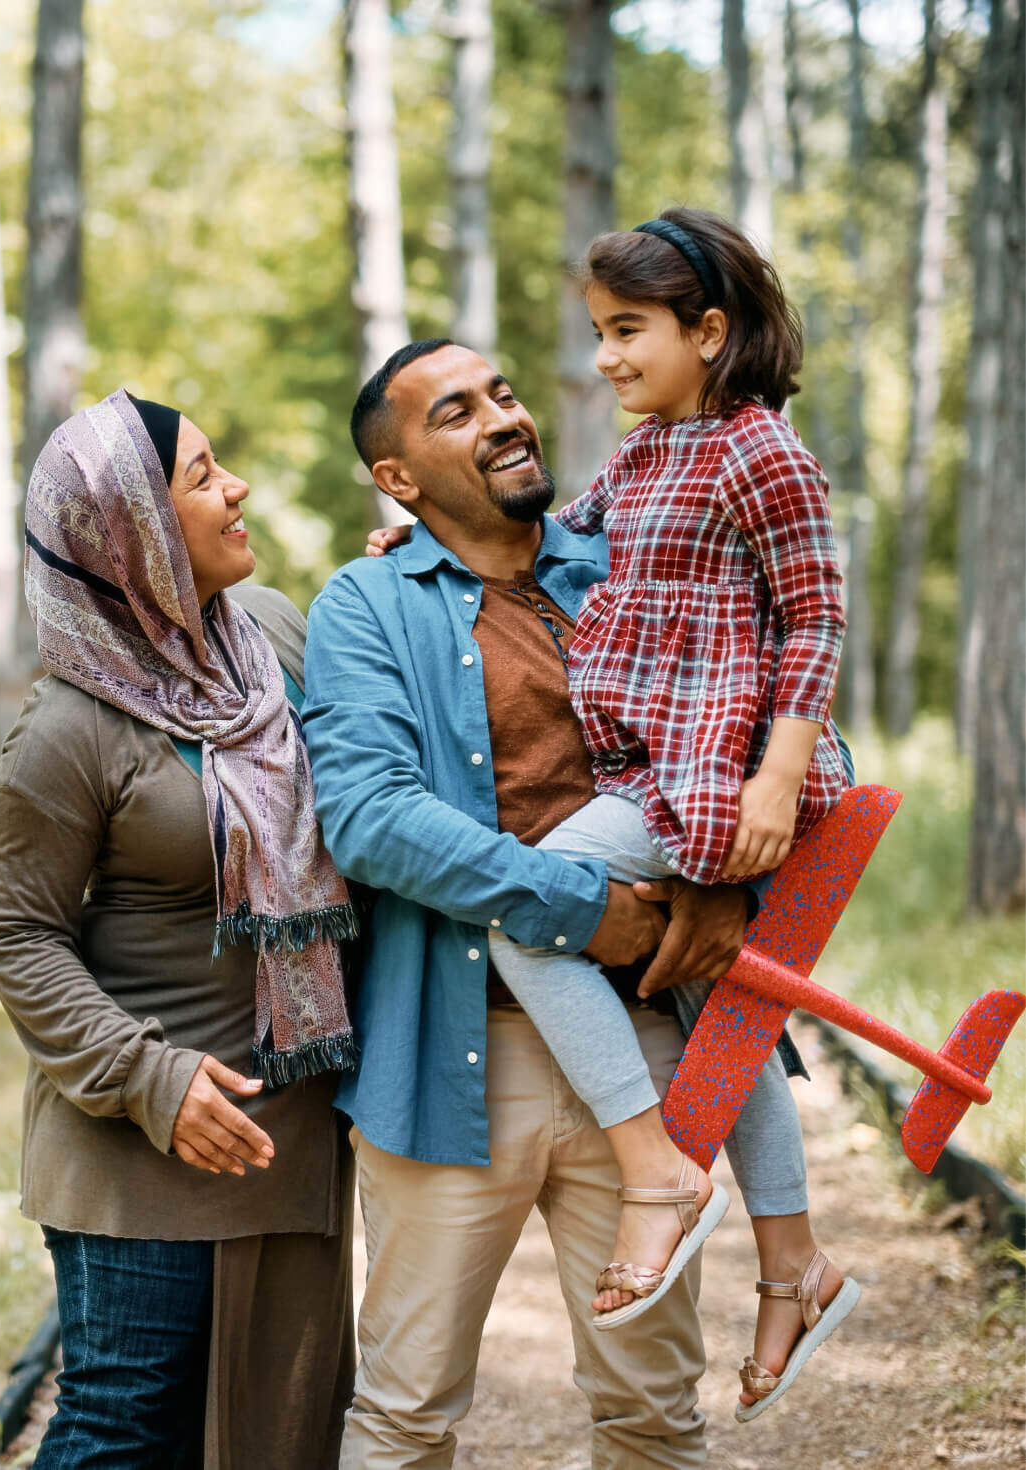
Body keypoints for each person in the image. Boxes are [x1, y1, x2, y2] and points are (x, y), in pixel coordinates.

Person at [368, 209, 859, 1423]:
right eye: (597, 333)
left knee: (532, 906)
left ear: (709, 330)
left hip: (722, 777)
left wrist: (778, 780)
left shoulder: (762, 453)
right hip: (667, 780)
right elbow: (562, 528)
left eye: (626, 331)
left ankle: (659, 1175)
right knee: (714, 1005)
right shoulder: (650, 455)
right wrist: (413, 535)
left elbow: (814, 620)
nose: (601, 361)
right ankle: (794, 1261)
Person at [303, 339, 762, 1469]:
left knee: (652, 1408)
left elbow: (777, 732)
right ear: (396, 479)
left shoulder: (635, 565)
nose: (503, 417)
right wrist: (575, 908)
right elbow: (367, 813)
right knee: (406, 1411)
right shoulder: (365, 607)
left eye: (502, 393)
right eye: (455, 412)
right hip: (455, 1062)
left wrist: (721, 883)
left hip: (646, 1044)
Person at [0, 388, 356, 1469]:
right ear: (133, 532)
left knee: (269, 1432)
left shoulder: (273, 636)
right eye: (200, 477)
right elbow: (17, 939)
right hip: (143, 1140)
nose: (234, 487)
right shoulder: (69, 728)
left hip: (290, 1127)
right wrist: (155, 1081)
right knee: (123, 1432)